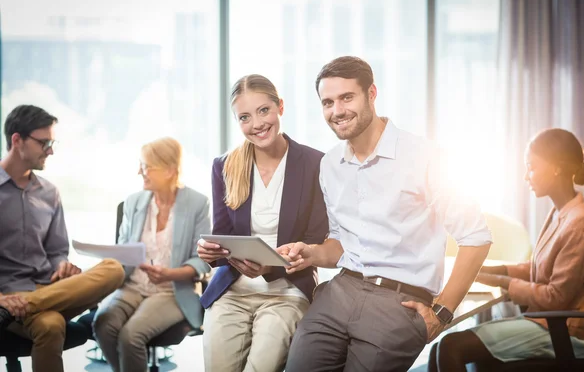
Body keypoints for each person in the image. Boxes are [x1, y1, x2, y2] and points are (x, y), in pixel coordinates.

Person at [278, 56, 493, 372]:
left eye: (346, 97)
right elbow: (339, 243)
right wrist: (309, 253)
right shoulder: (330, 164)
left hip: (400, 301)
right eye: (327, 102)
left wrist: (443, 312)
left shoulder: (426, 156)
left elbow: (476, 238)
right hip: (340, 290)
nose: (336, 110)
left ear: (371, 94)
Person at [429, 128, 584, 371]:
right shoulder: (562, 212)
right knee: (440, 347)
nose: (527, 176)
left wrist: (503, 282)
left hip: (569, 329)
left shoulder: (581, 221)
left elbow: (557, 297)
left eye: (531, 167)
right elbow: (544, 268)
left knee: (451, 346)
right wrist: (489, 270)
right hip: (550, 322)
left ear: (556, 168)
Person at [197, 74, 329, 372]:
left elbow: (315, 241)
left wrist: (272, 266)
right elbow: (223, 235)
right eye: (244, 117)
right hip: (233, 290)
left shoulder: (314, 164)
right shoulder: (225, 166)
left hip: (287, 292)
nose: (256, 124)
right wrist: (211, 252)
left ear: (280, 107)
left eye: (263, 111)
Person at [0, 104, 125, 372]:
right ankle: (11, 309)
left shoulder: (49, 193)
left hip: (47, 290)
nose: (51, 150)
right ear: (17, 140)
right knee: (52, 324)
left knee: (114, 269)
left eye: (52, 142)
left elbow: (57, 250)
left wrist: (62, 266)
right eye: (44, 142)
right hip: (6, 295)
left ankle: (22, 308)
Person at [92, 137, 211, 372]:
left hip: (172, 291)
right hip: (132, 286)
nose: (140, 172)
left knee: (130, 336)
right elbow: (123, 249)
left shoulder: (197, 203)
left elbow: (204, 259)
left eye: (146, 166)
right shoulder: (134, 202)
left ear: (169, 170)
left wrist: (170, 274)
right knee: (102, 324)